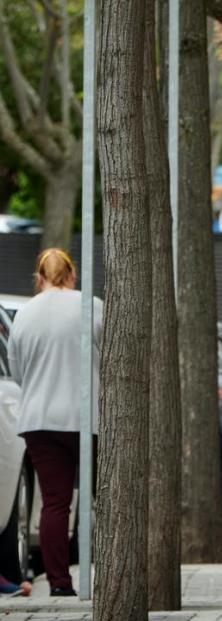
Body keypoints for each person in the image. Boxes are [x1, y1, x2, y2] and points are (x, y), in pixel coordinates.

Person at [8, 248, 102, 598]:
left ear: (39, 278)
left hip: (40, 420)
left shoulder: (25, 314)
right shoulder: (91, 306)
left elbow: (17, 371)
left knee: (55, 502)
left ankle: (60, 583)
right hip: (85, 418)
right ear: (73, 275)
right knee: (100, 498)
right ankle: (106, 575)